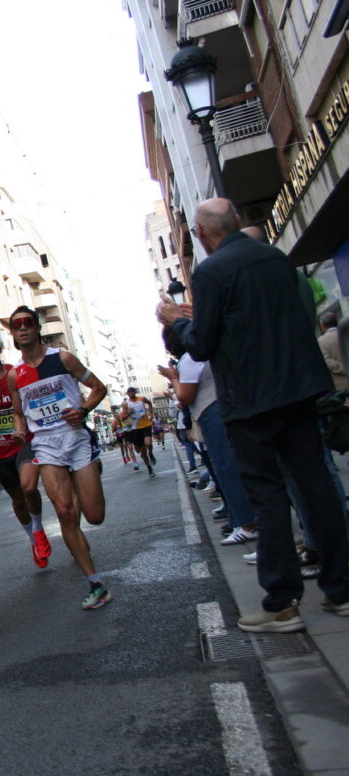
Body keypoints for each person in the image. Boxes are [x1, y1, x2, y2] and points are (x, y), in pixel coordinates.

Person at [157, 197, 349, 631]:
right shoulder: (276, 259)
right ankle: (342, 590)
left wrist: (176, 320)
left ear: (203, 235)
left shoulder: (212, 271)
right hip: (299, 390)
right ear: (237, 221)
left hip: (250, 399)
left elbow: (203, 344)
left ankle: (282, 602)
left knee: (268, 498)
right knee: (317, 488)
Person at [6, 306, 112, 610]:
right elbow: (17, 413)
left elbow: (99, 388)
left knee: (94, 516)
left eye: (27, 323)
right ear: (12, 334)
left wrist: (84, 410)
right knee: (64, 512)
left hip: (76, 439)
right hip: (46, 446)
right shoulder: (15, 376)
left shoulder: (62, 358)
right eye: (16, 326)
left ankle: (85, 482)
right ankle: (95, 583)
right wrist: (18, 430)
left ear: (37, 328)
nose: (22, 329)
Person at [158, 328, 257, 546]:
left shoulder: (189, 359)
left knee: (227, 470)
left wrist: (173, 377)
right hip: (214, 412)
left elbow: (184, 395)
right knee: (224, 469)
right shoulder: (195, 356)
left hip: (211, 413)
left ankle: (247, 524)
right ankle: (241, 520)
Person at [0, 331, 51, 568]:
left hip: (24, 443)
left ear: (0, 348)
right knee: (18, 500)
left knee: (29, 487)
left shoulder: (14, 372)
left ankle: (38, 530)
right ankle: (32, 538)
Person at [120, 387, 156, 476]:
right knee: (143, 452)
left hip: (146, 425)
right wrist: (128, 413)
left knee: (148, 443)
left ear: (134, 392)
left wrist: (150, 413)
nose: (131, 393)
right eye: (129, 392)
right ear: (127, 394)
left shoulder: (142, 399)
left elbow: (149, 403)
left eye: (132, 391)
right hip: (135, 429)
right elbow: (123, 418)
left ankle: (151, 453)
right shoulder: (126, 404)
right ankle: (149, 467)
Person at [318, 311, 348, 392]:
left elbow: (328, 362)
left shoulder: (321, 341)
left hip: (341, 387)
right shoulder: (346, 334)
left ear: (322, 325)